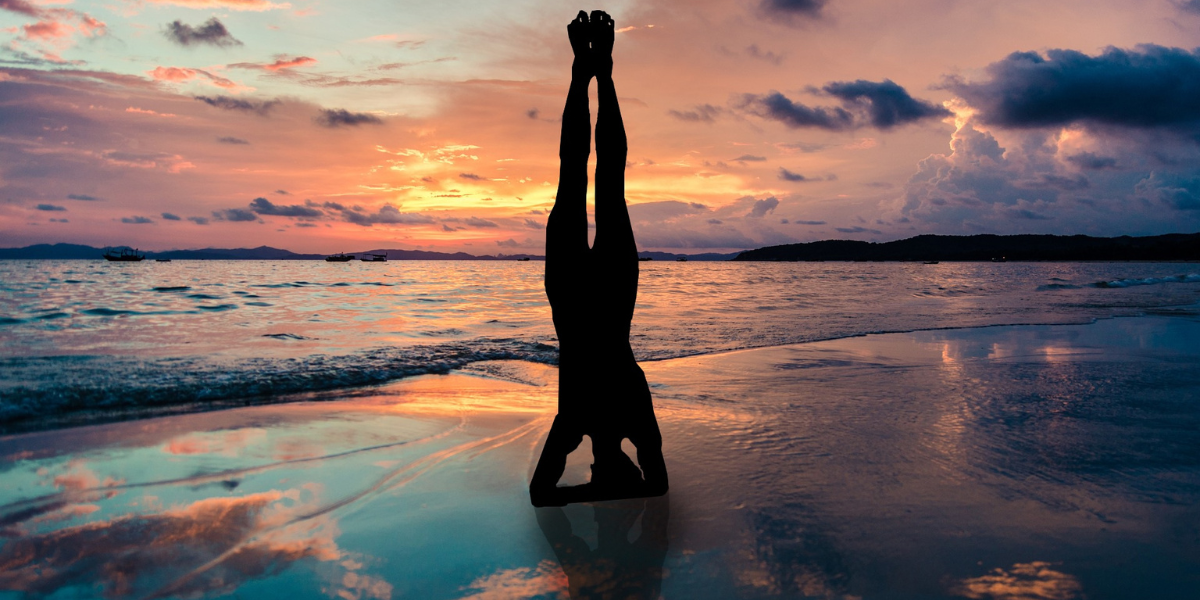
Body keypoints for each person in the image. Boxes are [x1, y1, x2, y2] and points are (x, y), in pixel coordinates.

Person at [529, 10, 669, 507]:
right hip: (581, 295)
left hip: (599, 293)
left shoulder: (630, 418)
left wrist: (606, 488)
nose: (591, 464)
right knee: (589, 180)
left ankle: (593, 71)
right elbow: (543, 494)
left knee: (600, 179)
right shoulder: (574, 423)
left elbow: (655, 485)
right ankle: (591, 71)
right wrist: (598, 489)